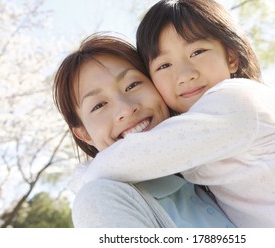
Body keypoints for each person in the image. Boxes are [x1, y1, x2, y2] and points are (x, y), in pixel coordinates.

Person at [81, 0, 275, 227]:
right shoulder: (193, 131)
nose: (185, 74)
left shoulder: (235, 100)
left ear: (231, 57)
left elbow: (130, 158)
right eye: (163, 66)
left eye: (197, 52)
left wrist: (85, 175)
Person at [52, 33, 235, 228]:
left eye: (132, 85)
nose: (125, 109)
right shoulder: (100, 199)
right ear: (84, 134)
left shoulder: (214, 172)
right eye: (99, 105)